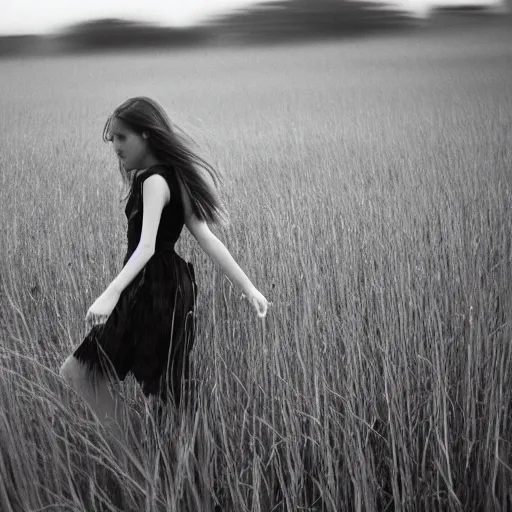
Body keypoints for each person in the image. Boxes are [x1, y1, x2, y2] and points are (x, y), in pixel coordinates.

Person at [59, 96, 269, 438]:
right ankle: (159, 458)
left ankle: (132, 459)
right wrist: (249, 289)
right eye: (112, 139)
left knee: (82, 372)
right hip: (169, 285)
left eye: (122, 137)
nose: (115, 146)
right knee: (161, 391)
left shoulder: (154, 181)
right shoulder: (170, 176)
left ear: (146, 135)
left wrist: (110, 295)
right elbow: (207, 238)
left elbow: (146, 247)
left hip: (152, 287)